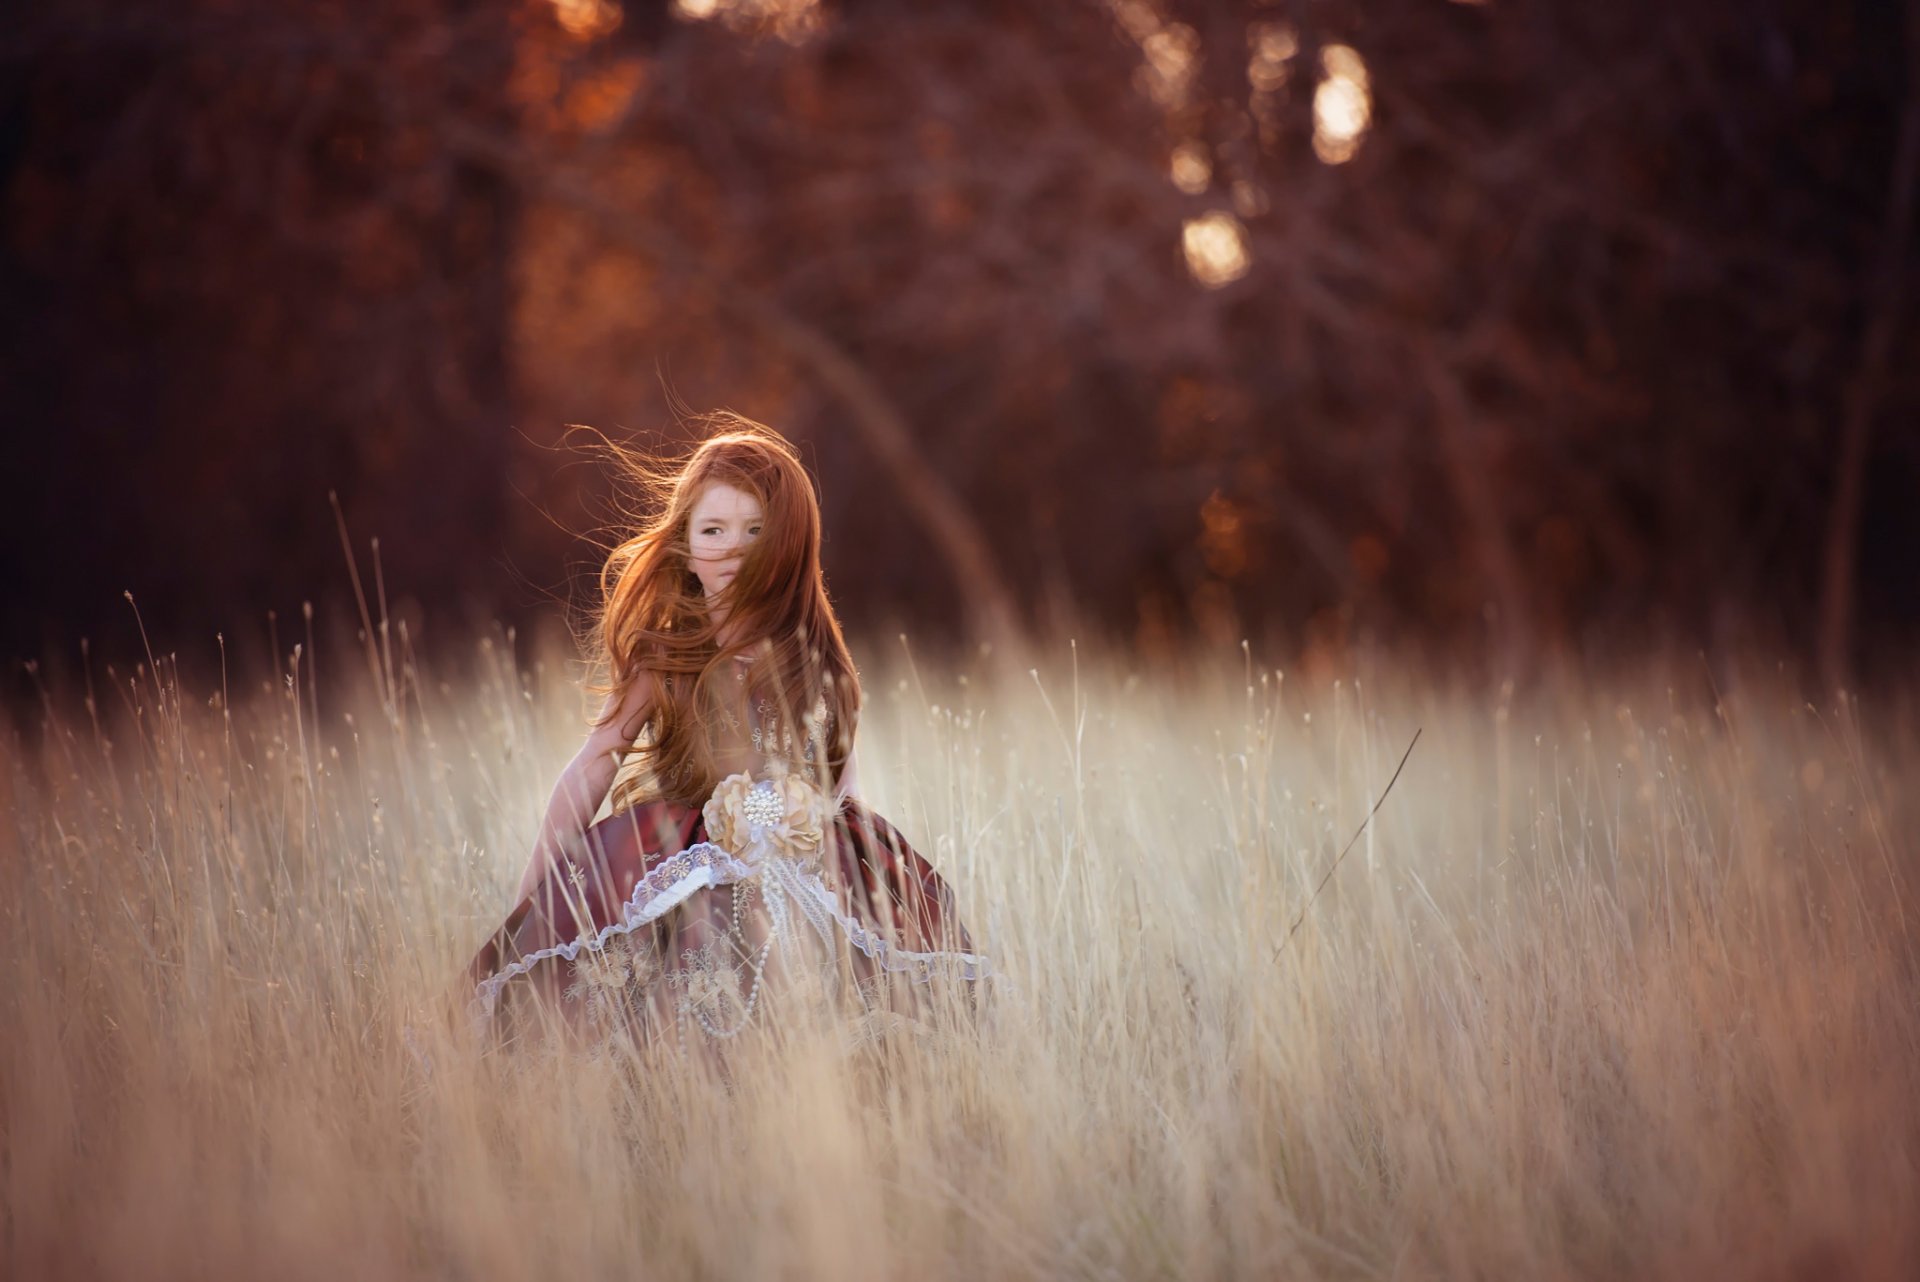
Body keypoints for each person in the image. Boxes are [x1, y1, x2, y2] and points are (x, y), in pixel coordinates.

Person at [466, 415, 990, 1060]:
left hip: (806, 850)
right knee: (705, 952)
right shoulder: (667, 654)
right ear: (685, 545)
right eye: (712, 530)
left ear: (789, 544)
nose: (733, 549)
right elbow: (594, 763)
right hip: (695, 851)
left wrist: (826, 832)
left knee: (848, 989)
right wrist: (534, 896)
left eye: (755, 531)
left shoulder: (813, 654)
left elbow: (842, 774)